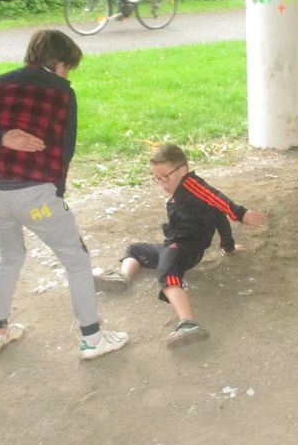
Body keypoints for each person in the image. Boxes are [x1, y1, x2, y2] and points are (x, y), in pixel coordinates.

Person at [0, 29, 128, 360]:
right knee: (75, 258)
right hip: (33, 197)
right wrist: (56, 193)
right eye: (67, 68)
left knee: (9, 255)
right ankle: (92, 339)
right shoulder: (62, 93)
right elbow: (65, 148)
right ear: (59, 64)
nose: (66, 76)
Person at [93, 143, 267, 347]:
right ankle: (123, 278)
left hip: (184, 248)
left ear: (182, 170)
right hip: (175, 246)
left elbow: (216, 198)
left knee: (168, 276)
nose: (162, 183)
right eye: (157, 178)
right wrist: (228, 246)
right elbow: (218, 216)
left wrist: (240, 213)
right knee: (135, 250)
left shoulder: (191, 184)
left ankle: (188, 323)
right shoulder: (187, 193)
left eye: (165, 177)